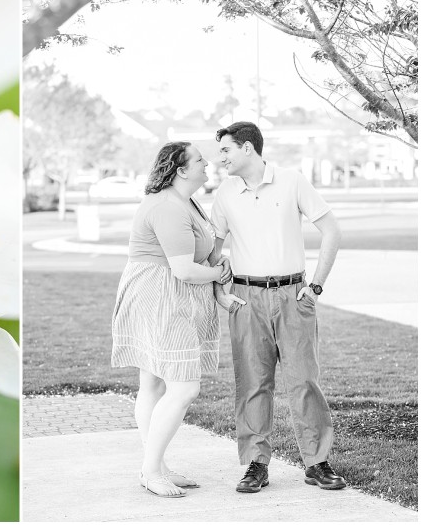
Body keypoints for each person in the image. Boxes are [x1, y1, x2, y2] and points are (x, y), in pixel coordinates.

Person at [211, 121, 346, 494]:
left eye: (225, 149)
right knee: (252, 383)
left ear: (248, 148)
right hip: (245, 297)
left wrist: (316, 286)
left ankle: (317, 463)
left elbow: (332, 230)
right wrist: (220, 294)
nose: (219, 157)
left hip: (293, 295)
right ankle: (256, 464)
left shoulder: (292, 181)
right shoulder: (224, 192)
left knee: (304, 381)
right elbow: (212, 249)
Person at [111, 141, 233, 498]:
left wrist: (216, 271)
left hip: (173, 295)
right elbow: (183, 269)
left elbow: (203, 257)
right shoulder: (166, 206)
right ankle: (151, 471)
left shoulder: (188, 201)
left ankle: (157, 464)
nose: (207, 162)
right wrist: (219, 275)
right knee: (182, 387)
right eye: (199, 159)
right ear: (181, 170)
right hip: (159, 296)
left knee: (154, 385)